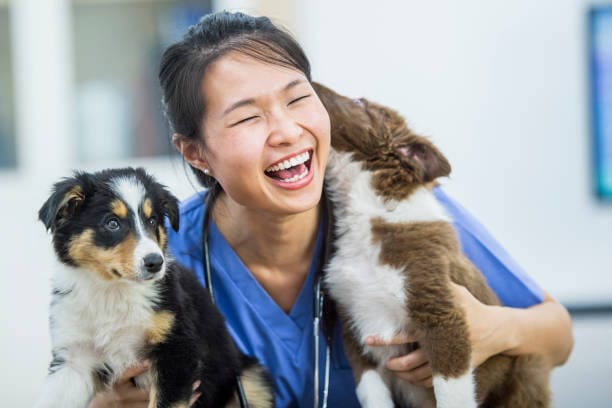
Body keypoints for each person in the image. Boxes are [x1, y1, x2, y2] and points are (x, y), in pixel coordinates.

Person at [89, 10, 573, 407]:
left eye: (299, 99)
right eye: (248, 117)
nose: (287, 131)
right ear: (195, 153)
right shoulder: (155, 257)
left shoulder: (397, 210)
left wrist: (492, 331)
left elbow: (558, 336)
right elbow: (99, 386)